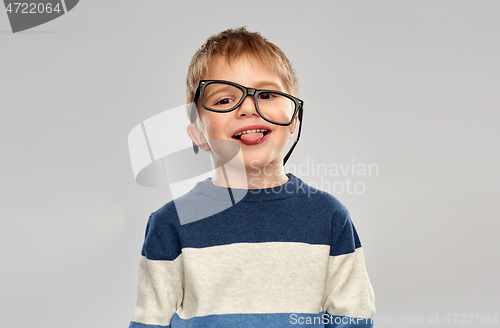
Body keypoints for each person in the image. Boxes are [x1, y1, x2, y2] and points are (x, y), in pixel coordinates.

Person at [128, 27, 375, 328]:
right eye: (223, 100)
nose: (247, 108)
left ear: (294, 120)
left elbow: (353, 319)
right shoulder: (171, 223)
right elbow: (150, 321)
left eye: (267, 94)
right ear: (198, 134)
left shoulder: (329, 217)